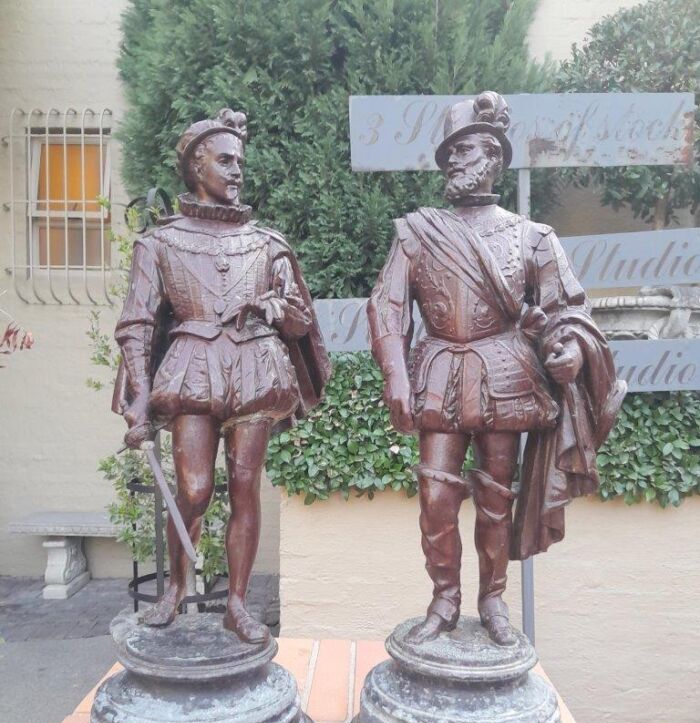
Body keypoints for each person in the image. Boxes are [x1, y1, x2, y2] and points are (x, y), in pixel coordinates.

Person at [366, 92, 625, 647]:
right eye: (449, 152)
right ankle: (443, 599)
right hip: (437, 369)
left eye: (465, 150)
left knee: (494, 496)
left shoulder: (532, 237)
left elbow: (567, 310)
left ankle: (492, 599)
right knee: (436, 496)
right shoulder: (416, 232)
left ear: (494, 157)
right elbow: (385, 306)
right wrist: (395, 374)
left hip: (505, 374)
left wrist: (572, 350)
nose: (454, 161)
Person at [113, 109, 331, 643]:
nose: (237, 171)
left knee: (244, 487)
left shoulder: (266, 243)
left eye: (241, 162)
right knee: (194, 488)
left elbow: (303, 318)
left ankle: (237, 602)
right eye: (225, 160)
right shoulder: (159, 243)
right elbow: (138, 323)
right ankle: (176, 589)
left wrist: (275, 309)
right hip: (191, 370)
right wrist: (140, 397)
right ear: (195, 166)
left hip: (254, 370)